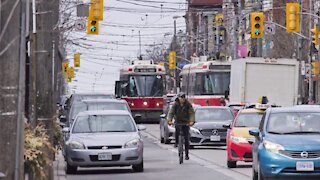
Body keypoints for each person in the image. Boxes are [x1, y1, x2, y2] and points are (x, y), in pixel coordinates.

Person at [167, 92, 195, 160]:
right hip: (178, 121)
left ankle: (186, 154)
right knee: (177, 131)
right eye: (181, 97)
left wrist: (192, 121)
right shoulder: (175, 104)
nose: (182, 99)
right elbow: (171, 113)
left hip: (186, 122)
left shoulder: (188, 104)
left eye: (183, 97)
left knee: (186, 138)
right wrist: (169, 120)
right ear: (178, 98)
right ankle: (176, 142)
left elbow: (191, 113)